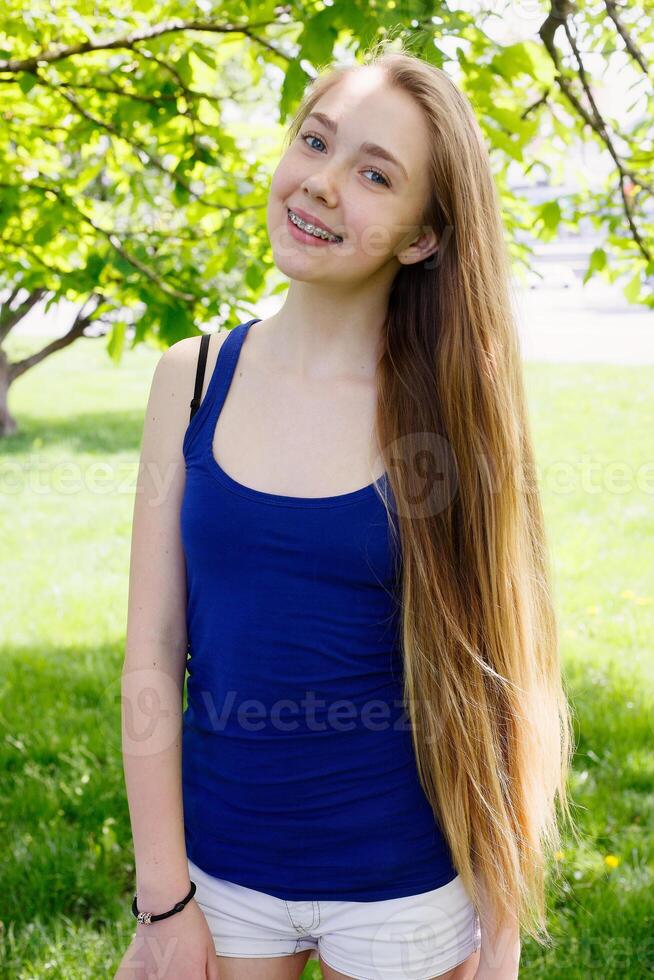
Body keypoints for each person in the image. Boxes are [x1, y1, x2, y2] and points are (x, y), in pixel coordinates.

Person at [115, 43, 577, 980]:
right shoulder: (193, 378)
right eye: (314, 142)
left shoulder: (448, 412)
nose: (323, 184)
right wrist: (165, 900)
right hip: (224, 870)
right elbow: (154, 651)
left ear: (422, 235)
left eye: (374, 174)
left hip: (406, 884)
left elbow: (498, 671)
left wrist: (500, 922)